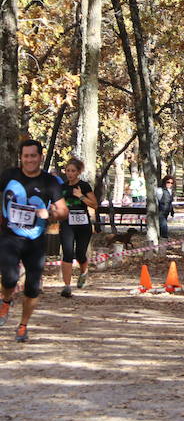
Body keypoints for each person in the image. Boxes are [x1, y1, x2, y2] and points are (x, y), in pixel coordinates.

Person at [0, 140, 68, 341]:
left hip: (35, 241)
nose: (29, 160)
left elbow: (63, 211)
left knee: (32, 287)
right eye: (26, 156)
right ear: (20, 157)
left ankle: (23, 326)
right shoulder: (8, 176)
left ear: (40, 157)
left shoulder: (50, 182)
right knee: (10, 277)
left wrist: (50, 213)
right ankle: (6, 300)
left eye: (33, 156)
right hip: (9, 236)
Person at [59, 158, 98, 298]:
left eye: (73, 171)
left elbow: (95, 205)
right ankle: (67, 286)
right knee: (68, 253)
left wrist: (80, 196)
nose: (70, 174)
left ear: (79, 172)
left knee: (80, 253)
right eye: (68, 171)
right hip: (67, 223)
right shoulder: (62, 187)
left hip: (82, 224)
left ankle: (83, 272)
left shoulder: (84, 186)